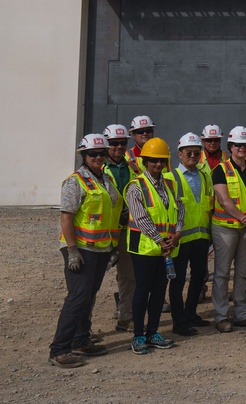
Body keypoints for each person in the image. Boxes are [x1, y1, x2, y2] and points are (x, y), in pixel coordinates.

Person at [49, 134, 118, 368]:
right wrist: (72, 251)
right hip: (81, 248)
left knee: (89, 295)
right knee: (77, 297)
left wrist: (112, 246)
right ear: (84, 156)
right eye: (92, 154)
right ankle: (59, 350)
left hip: (100, 248)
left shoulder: (106, 179)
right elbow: (66, 217)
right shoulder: (75, 181)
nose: (98, 157)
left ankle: (80, 339)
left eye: (101, 153)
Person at [125, 137, 183, 355]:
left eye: (161, 160)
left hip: (167, 246)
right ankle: (138, 335)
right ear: (145, 161)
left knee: (160, 290)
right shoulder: (135, 187)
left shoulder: (170, 184)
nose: (158, 164)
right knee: (142, 290)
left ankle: (153, 332)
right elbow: (141, 218)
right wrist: (160, 240)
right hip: (145, 248)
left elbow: (180, 209)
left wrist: (177, 234)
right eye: (153, 160)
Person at [210, 125, 246, 332]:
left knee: (243, 272)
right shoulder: (221, 169)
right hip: (225, 228)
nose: (242, 148)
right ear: (230, 147)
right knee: (222, 272)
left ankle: (241, 313)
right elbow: (224, 200)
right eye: (238, 145)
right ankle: (221, 315)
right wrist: (245, 219)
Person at [169, 133, 213, 336]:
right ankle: (178, 322)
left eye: (197, 152)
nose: (193, 156)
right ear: (180, 154)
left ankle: (191, 313)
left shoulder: (205, 175)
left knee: (198, 277)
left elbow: (207, 204)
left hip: (201, 238)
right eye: (189, 152)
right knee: (178, 281)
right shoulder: (171, 178)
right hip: (180, 239)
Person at [102, 123, 140, 333]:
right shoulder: (97, 167)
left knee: (128, 275)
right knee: (92, 281)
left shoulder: (133, 166)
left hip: (127, 228)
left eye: (122, 143)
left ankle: (126, 317)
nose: (118, 147)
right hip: (104, 231)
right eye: (114, 143)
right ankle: (83, 328)